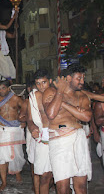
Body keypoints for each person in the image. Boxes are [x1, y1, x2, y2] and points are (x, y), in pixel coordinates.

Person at [43, 64, 92, 194]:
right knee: (62, 187)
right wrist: (60, 92)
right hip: (59, 143)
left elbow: (86, 117)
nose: (82, 81)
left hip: (78, 140)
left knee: (81, 186)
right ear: (68, 78)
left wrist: (64, 104)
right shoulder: (51, 92)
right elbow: (51, 114)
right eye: (79, 78)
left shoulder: (82, 96)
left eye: (83, 78)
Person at [0, 80, 25, 191]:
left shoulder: (16, 99)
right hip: (2, 130)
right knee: (1, 157)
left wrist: (24, 121)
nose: (1, 91)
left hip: (15, 130)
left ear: (9, 88)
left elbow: (26, 110)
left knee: (17, 153)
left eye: (3, 88)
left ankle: (17, 172)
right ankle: (4, 182)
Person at [27, 69, 53, 194]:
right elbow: (29, 119)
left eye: (44, 82)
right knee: (44, 176)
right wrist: (32, 128)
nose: (41, 86)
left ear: (50, 81)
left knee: (61, 176)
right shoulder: (33, 96)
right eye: (38, 83)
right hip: (42, 138)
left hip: (58, 136)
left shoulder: (57, 94)